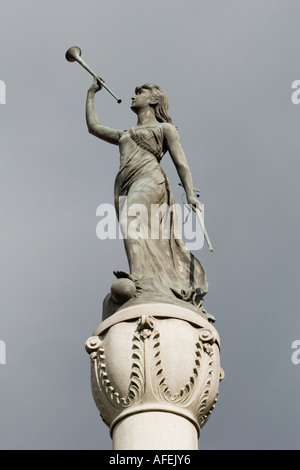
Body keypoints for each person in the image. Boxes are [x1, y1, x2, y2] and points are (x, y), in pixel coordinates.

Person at [86, 79, 212, 320]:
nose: (134, 96)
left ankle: (138, 279)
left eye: (140, 92)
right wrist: (91, 93)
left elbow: (181, 164)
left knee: (130, 219)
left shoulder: (166, 129)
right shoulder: (126, 133)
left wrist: (189, 193)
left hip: (150, 178)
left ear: (154, 100)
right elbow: (93, 127)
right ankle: (142, 275)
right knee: (129, 226)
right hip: (125, 183)